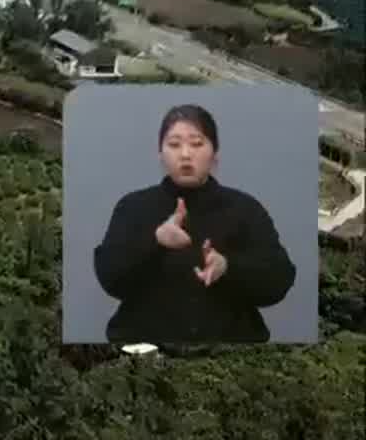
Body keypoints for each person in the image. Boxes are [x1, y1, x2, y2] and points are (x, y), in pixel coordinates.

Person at [92, 103, 296, 343]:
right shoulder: (133, 207)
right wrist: (156, 241)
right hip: (144, 348)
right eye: (174, 144)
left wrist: (227, 267)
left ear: (214, 154)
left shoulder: (245, 209)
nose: (185, 154)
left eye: (197, 144)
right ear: (161, 154)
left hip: (228, 349)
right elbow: (111, 278)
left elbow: (279, 279)